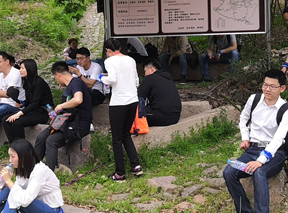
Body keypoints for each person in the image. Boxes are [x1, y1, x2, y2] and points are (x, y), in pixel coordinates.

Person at [223, 70, 288, 213]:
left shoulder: (286, 110)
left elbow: (278, 139)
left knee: (259, 172)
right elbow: (243, 118)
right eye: (265, 85)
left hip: (275, 152)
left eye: (272, 86)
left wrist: (261, 161)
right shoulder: (254, 99)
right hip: (252, 149)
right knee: (229, 172)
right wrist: (245, 138)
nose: (267, 89)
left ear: (282, 88)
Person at [34, 61, 93, 170]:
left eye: (55, 78)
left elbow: (78, 100)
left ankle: (49, 174)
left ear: (58, 75)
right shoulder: (70, 86)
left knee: (51, 141)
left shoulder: (76, 83)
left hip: (79, 125)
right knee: (42, 137)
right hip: (68, 122)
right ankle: (34, 169)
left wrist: (61, 106)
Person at [101, 38, 142, 181]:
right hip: (133, 100)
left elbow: (112, 79)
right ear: (119, 48)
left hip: (119, 103)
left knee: (117, 139)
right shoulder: (130, 60)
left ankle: (120, 173)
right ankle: (136, 166)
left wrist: (102, 78)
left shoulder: (109, 61)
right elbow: (136, 81)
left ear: (108, 50)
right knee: (126, 135)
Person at [2, 59, 54, 144]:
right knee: (6, 120)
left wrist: (19, 114)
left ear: (29, 69)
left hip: (42, 113)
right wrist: (22, 103)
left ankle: (22, 146)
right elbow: (29, 100)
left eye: (22, 68)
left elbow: (35, 103)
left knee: (17, 122)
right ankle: (13, 144)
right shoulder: (27, 82)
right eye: (20, 68)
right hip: (33, 111)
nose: (20, 70)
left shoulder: (39, 83)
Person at [138, 59, 182, 127]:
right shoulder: (168, 78)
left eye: (145, 71)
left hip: (161, 117)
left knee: (131, 111)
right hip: (175, 117)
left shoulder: (149, 78)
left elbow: (140, 99)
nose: (145, 74)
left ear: (152, 69)